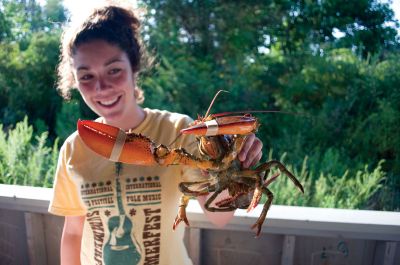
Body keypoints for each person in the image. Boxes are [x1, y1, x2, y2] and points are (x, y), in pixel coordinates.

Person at [48, 2, 263, 265]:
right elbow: (72, 232)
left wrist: (237, 162)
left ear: (134, 67)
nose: (101, 87)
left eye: (114, 70)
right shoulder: (75, 147)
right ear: (73, 80)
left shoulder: (179, 130)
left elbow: (220, 216)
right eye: (86, 76)